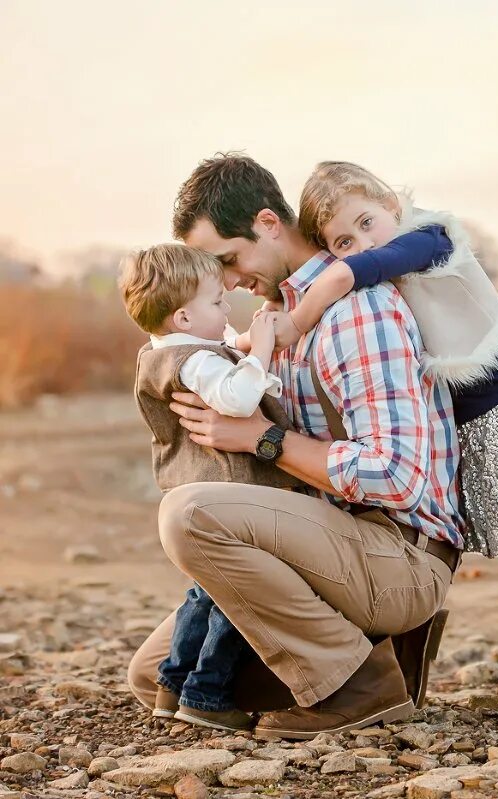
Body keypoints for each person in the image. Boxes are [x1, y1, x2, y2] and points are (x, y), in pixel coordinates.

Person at [126, 153, 464, 740]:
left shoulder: (357, 310)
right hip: (322, 547)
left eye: (229, 261)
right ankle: (354, 654)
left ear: (268, 222)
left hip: (398, 553)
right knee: (155, 675)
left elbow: (397, 476)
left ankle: (362, 686)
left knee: (189, 515)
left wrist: (262, 439)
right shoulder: (273, 325)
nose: (227, 283)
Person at [276, 160, 498, 720]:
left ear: (391, 203)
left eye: (366, 222)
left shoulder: (430, 238)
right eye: (343, 240)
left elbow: (342, 276)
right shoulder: (387, 265)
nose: (361, 244)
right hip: (477, 420)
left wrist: (295, 320)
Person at [120, 243, 295, 731]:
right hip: (228, 493)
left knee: (205, 594)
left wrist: (243, 345)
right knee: (238, 595)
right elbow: (238, 399)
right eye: (217, 303)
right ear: (183, 317)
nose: (227, 310)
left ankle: (172, 685)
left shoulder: (163, 354)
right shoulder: (194, 361)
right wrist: (260, 350)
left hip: (195, 488)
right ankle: (207, 694)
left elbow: (222, 356)